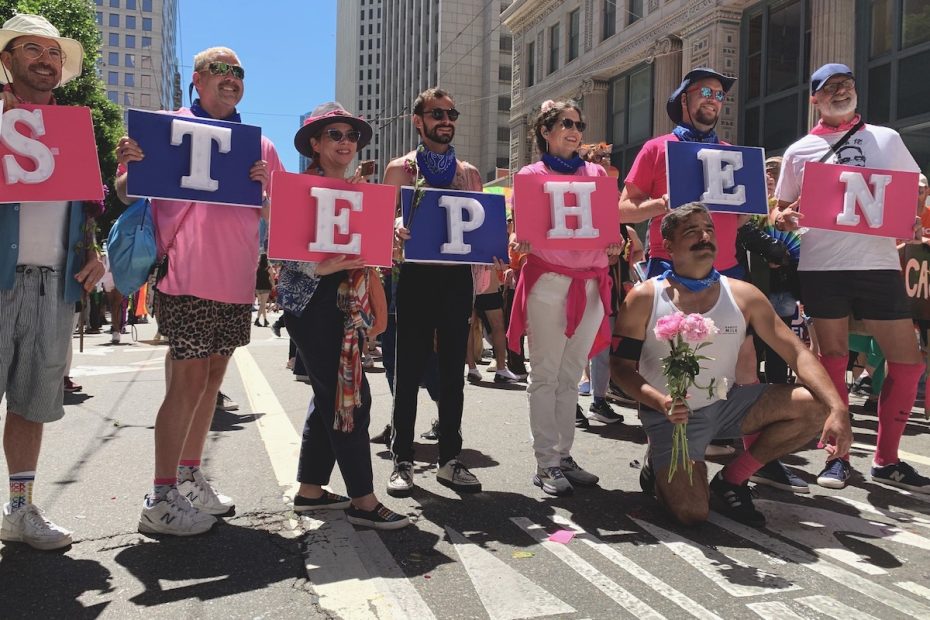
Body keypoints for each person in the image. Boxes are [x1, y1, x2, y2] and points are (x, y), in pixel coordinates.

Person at [115, 46, 284, 535]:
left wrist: (266, 194)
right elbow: (127, 191)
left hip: (234, 281)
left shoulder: (261, 146)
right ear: (197, 78)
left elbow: (279, 217)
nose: (230, 78)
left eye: (238, 71)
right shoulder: (165, 126)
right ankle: (160, 494)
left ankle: (188, 477)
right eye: (220, 70)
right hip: (186, 276)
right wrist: (127, 162)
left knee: (212, 379)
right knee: (187, 382)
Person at [611, 203, 851, 526]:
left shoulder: (744, 295)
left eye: (709, 229)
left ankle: (731, 481)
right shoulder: (643, 297)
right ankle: (658, 461)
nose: (704, 236)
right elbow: (620, 368)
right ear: (668, 245)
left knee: (817, 405)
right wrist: (660, 402)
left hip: (726, 405)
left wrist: (838, 407)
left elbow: (798, 354)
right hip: (670, 416)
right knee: (692, 513)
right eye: (692, 231)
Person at [773, 63, 929, 492]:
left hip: (878, 264)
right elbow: (779, 207)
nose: (841, 92)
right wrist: (782, 218)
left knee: (909, 363)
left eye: (847, 85)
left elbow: (917, 185)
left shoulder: (886, 138)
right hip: (823, 266)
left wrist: (913, 217)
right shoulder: (798, 150)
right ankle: (836, 457)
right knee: (833, 362)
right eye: (830, 87)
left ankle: (887, 459)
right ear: (815, 99)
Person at [0, 14, 106, 550]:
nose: (45, 60)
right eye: (31, 50)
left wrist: (94, 253)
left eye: (53, 54)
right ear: (6, 59)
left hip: (54, 284)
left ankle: (18, 511)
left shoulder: (72, 128)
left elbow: (84, 206)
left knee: (32, 401)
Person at [276, 102, 406, 529]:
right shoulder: (298, 188)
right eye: (335, 134)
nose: (346, 142)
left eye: (351, 136)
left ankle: (311, 490)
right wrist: (324, 266)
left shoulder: (361, 193)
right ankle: (364, 501)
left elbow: (370, 254)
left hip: (349, 301)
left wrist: (390, 239)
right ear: (315, 144)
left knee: (327, 395)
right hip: (313, 303)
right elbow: (281, 253)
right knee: (350, 398)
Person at [508, 100, 624, 496]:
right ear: (545, 130)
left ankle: (564, 455)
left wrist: (616, 242)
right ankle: (546, 462)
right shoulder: (530, 175)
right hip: (549, 282)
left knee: (571, 374)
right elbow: (523, 231)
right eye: (565, 124)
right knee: (545, 373)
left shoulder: (596, 174)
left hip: (590, 283)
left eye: (579, 124)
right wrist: (518, 238)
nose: (574, 131)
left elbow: (611, 230)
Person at [384, 88, 485, 496]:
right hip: (414, 276)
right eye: (436, 113)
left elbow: (483, 228)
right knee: (407, 369)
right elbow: (381, 222)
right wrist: (393, 228)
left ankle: (449, 460)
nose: (446, 120)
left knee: (453, 374)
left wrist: (494, 252)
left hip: (456, 279)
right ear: (418, 120)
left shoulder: (469, 173)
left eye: (451, 113)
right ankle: (403, 461)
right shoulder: (400, 169)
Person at [254, 253, 273, 327]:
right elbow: (271, 278)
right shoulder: (269, 268)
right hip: (266, 287)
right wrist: (273, 285)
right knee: (262, 304)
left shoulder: (257, 267)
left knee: (262, 304)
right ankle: (257, 320)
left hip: (258, 287)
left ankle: (265, 320)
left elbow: (255, 277)